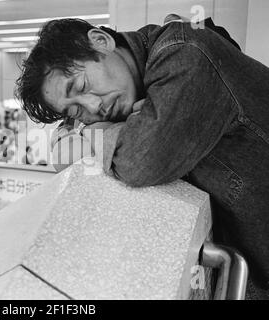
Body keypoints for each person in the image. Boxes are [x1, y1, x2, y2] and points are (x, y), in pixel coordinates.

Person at [15, 18, 269, 299]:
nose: (93, 106)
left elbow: (142, 160)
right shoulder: (131, 83)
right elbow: (64, 152)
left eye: (82, 85)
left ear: (101, 41)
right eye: (75, 111)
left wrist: (102, 135)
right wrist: (116, 129)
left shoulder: (185, 53)